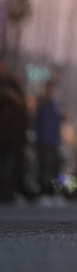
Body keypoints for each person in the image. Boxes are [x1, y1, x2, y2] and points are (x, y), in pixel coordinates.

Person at [0, 59, 28, 202]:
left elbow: (22, 106)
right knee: (6, 167)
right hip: (5, 136)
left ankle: (9, 193)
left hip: (13, 137)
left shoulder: (12, 85)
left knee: (10, 167)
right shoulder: (6, 87)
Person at [34, 78, 63, 200]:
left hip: (53, 141)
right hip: (44, 140)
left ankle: (52, 192)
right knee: (45, 168)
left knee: (53, 168)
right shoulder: (43, 100)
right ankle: (44, 193)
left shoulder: (54, 103)